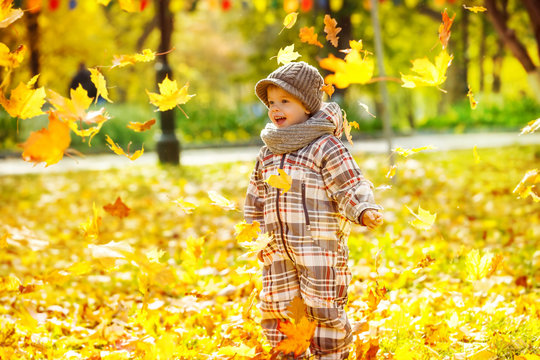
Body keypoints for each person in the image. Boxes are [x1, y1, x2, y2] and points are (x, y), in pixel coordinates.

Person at [244, 61, 383, 360]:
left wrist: (363, 209)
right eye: (271, 102)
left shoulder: (325, 146)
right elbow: (256, 192)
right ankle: (288, 352)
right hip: (277, 249)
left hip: (318, 249)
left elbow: (350, 184)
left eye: (285, 101)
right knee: (277, 305)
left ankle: (329, 355)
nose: (275, 109)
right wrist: (253, 228)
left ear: (307, 106)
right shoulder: (268, 151)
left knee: (324, 307)